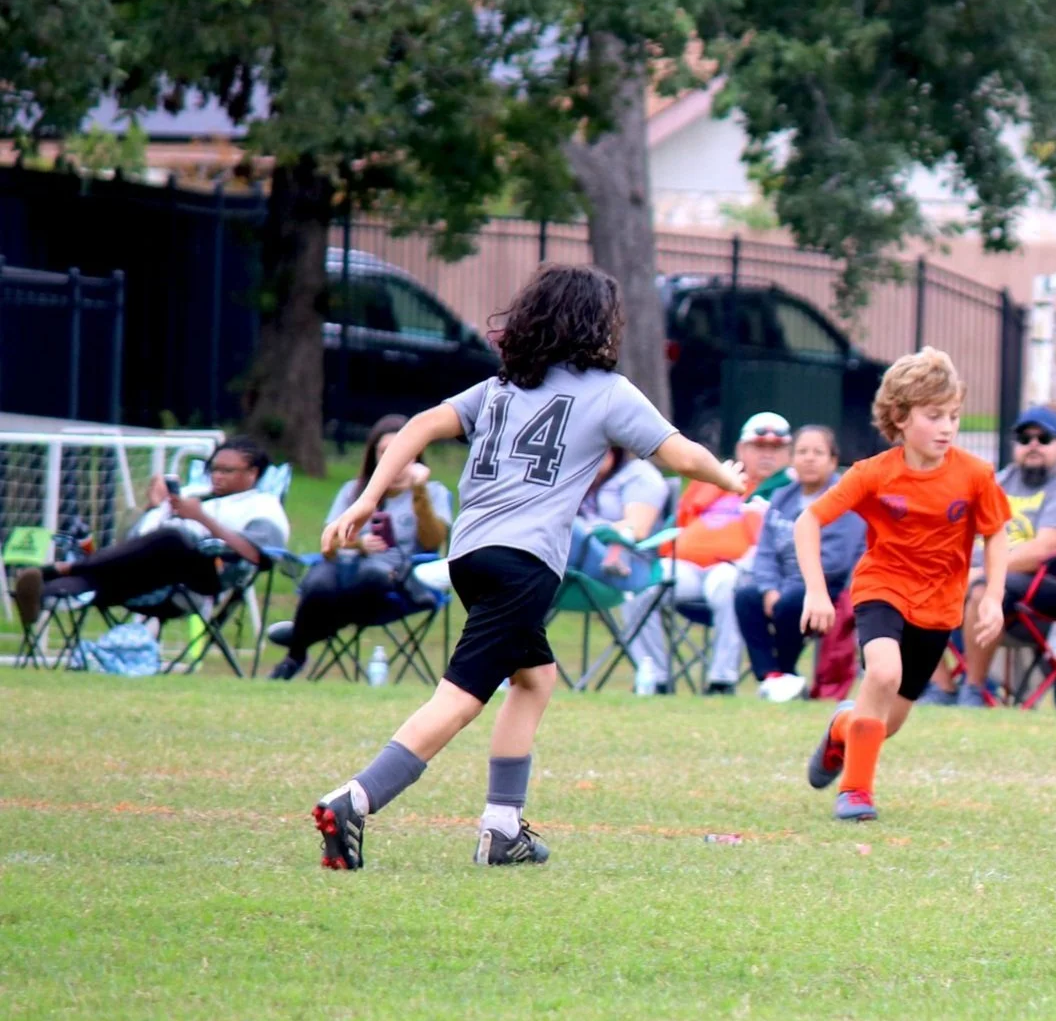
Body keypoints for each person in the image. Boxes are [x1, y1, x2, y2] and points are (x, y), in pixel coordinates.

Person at [311, 263, 742, 871]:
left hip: (470, 556)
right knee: (460, 699)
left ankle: (501, 828)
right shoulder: (607, 391)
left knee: (535, 679)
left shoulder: (497, 390)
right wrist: (731, 477)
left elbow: (417, 427)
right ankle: (355, 798)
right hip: (525, 563)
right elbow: (682, 455)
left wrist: (364, 498)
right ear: (597, 325)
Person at [796, 347, 1011, 822]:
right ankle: (856, 792)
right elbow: (808, 521)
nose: (947, 427)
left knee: (885, 724)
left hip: (939, 608)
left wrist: (993, 595)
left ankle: (841, 731)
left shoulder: (975, 475)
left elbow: (997, 533)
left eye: (953, 416)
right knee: (883, 673)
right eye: (934, 416)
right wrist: (815, 590)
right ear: (899, 416)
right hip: (882, 589)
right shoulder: (873, 473)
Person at [920, 405, 1056, 707]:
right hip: (995, 578)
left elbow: (1044, 550)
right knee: (912, 583)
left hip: (1054, 587)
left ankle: (975, 689)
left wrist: (979, 572)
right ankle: (940, 686)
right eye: (1025, 438)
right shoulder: (999, 481)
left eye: (1044, 438)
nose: (1033, 445)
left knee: (982, 589)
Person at [12, 436, 288, 624]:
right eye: (214, 469)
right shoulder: (192, 493)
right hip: (151, 574)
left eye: (227, 471)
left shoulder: (262, 507)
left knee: (175, 538)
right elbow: (138, 540)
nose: (217, 476)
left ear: (252, 473)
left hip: (203, 579)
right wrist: (153, 508)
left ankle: (62, 567)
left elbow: (258, 555)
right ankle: (43, 590)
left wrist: (202, 519)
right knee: (91, 581)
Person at [619, 410, 793, 695]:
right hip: (684, 568)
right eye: (759, 446)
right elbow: (676, 526)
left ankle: (721, 681)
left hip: (739, 570)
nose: (767, 455)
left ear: (788, 453)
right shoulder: (712, 478)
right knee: (638, 585)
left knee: (726, 583)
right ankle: (654, 677)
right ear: (741, 449)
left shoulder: (790, 489)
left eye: (776, 448)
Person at [266, 415, 453, 680]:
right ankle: (298, 652)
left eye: (403, 450)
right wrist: (358, 543)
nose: (395, 459)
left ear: (416, 454)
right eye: (385, 452)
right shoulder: (353, 491)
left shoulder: (433, 491)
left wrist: (419, 490)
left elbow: (434, 541)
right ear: (374, 455)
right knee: (318, 581)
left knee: (371, 576)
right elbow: (329, 543)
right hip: (343, 567)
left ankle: (302, 636)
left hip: (396, 578)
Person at [735, 425, 866, 702]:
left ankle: (783, 672)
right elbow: (766, 551)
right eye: (802, 452)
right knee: (746, 598)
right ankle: (772, 676)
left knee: (791, 603)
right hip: (783, 586)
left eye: (818, 452)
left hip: (828, 590)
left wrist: (785, 589)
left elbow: (836, 561)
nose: (809, 458)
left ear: (833, 460)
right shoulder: (783, 496)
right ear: (792, 459)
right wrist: (770, 587)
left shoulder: (844, 498)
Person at [563, 445, 671, 593]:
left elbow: (637, 529)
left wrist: (590, 529)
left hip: (627, 566)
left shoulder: (638, 474)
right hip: (575, 560)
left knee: (565, 525)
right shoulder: (579, 476)